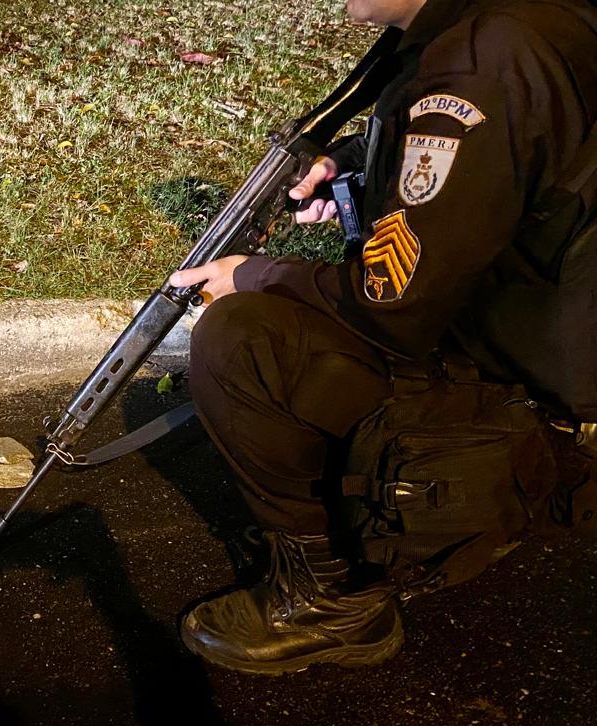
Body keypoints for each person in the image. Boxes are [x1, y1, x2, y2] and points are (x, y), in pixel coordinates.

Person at [165, 0, 597, 674]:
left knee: (241, 339)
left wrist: (254, 274)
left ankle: (334, 603)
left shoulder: (484, 63)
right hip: (539, 344)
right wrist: (349, 163)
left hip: (542, 409)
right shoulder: (510, 24)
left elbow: (394, 303)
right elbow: (486, 166)